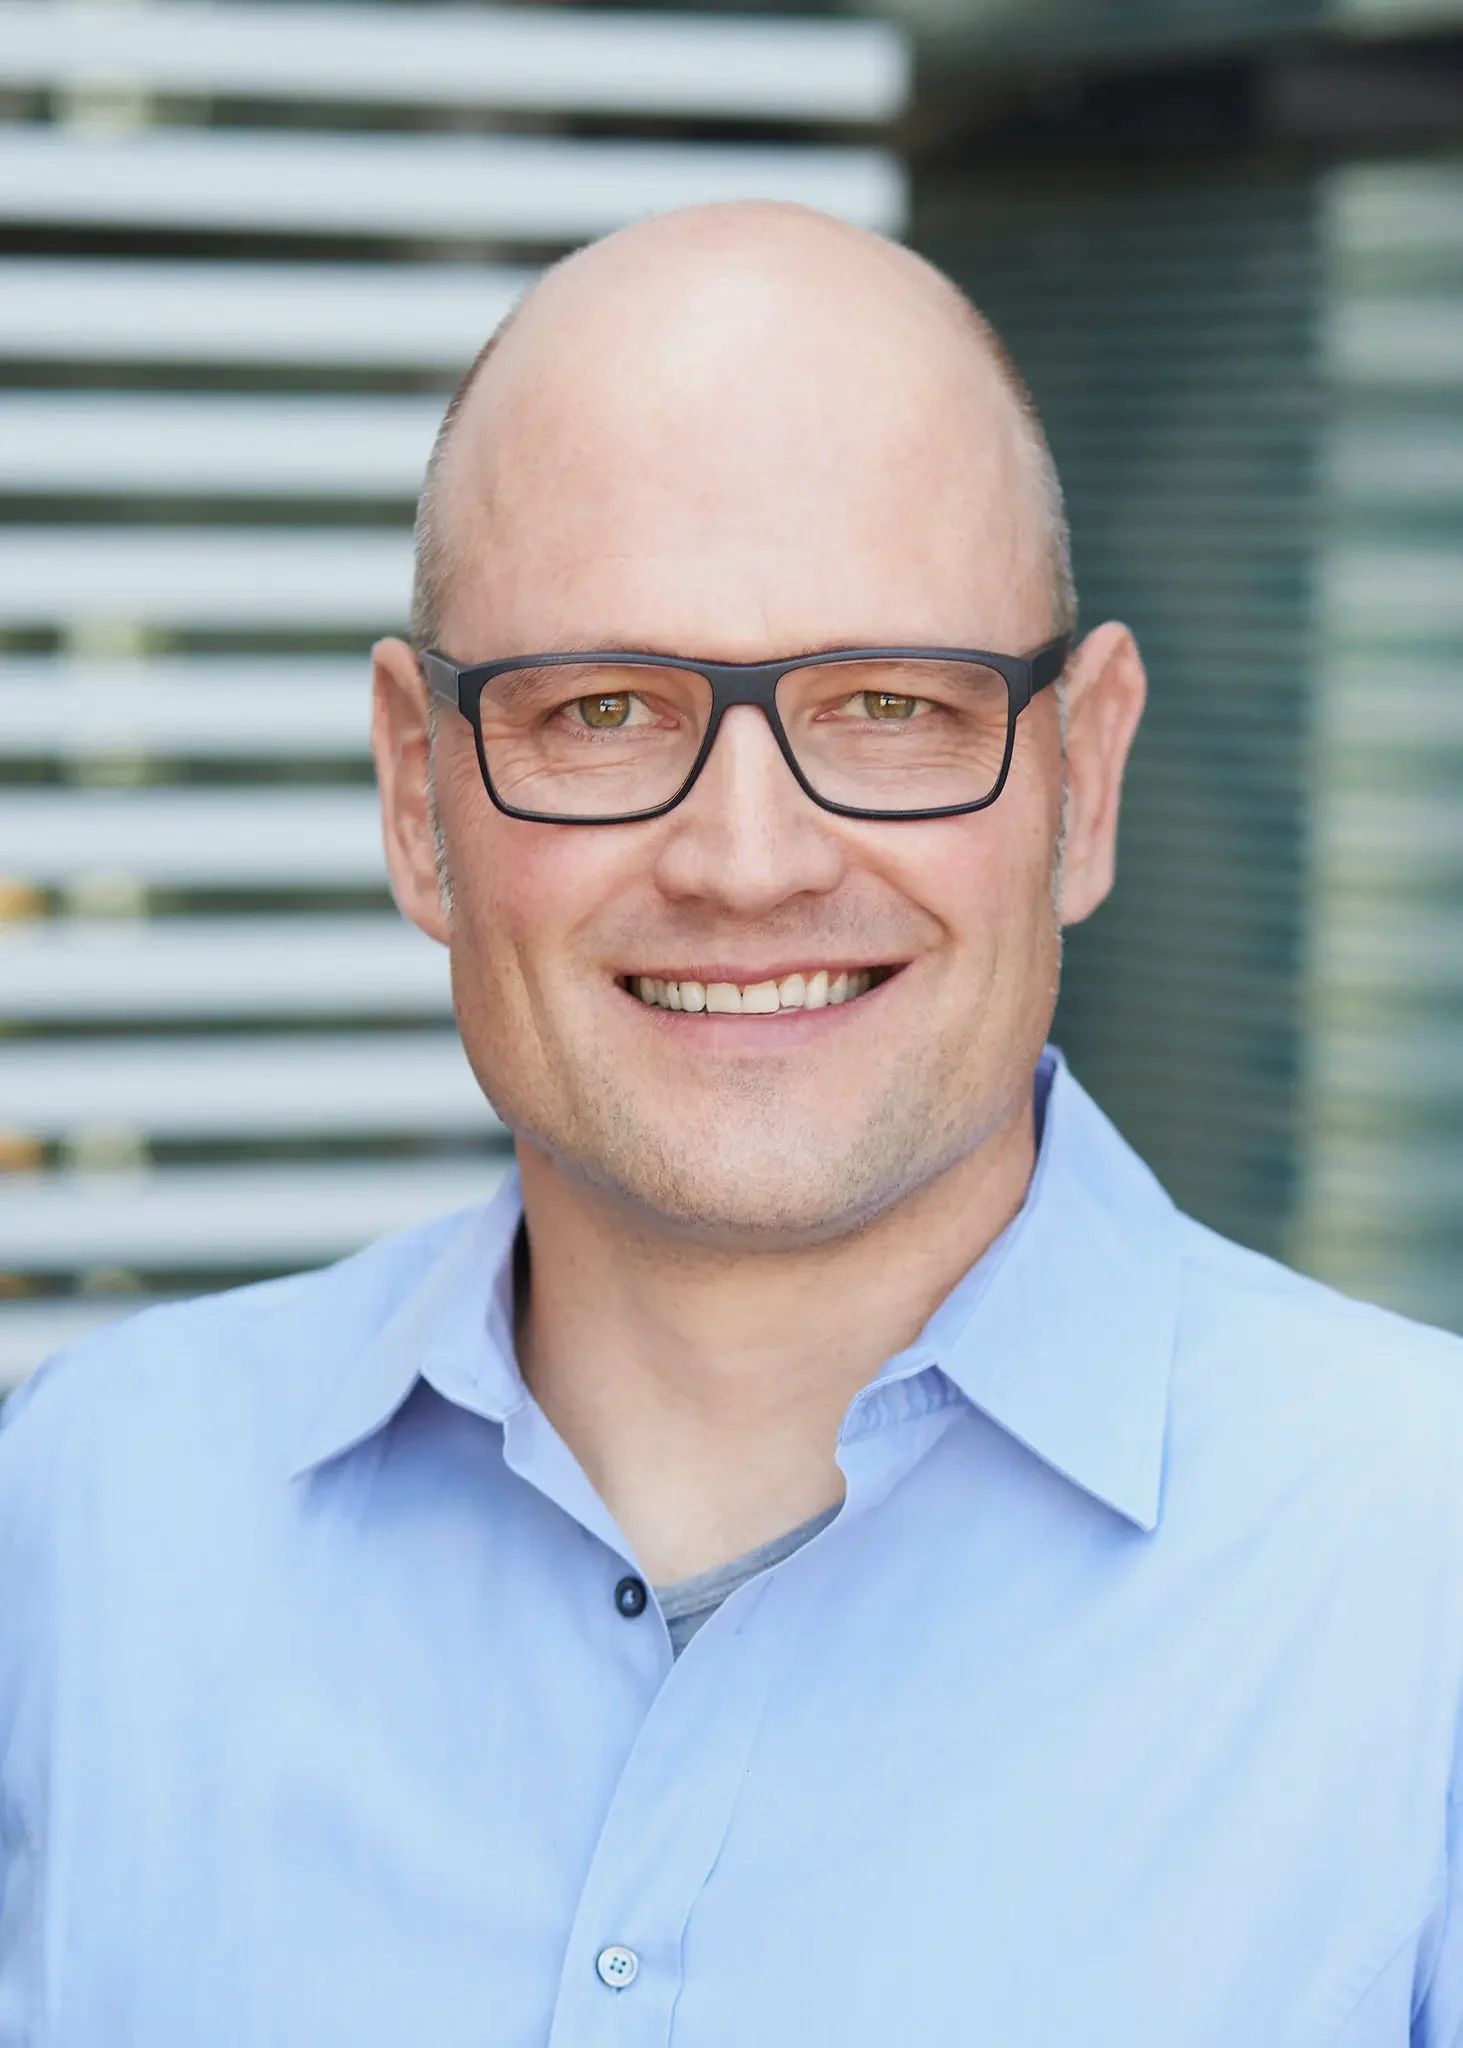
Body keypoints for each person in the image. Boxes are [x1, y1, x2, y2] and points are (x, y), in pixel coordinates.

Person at [2, 201, 1461, 2048]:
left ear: (1080, 778)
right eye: (602, 710)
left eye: (890, 706)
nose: (747, 863)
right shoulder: (85, 1522)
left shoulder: (1426, 1587)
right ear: (415, 798)